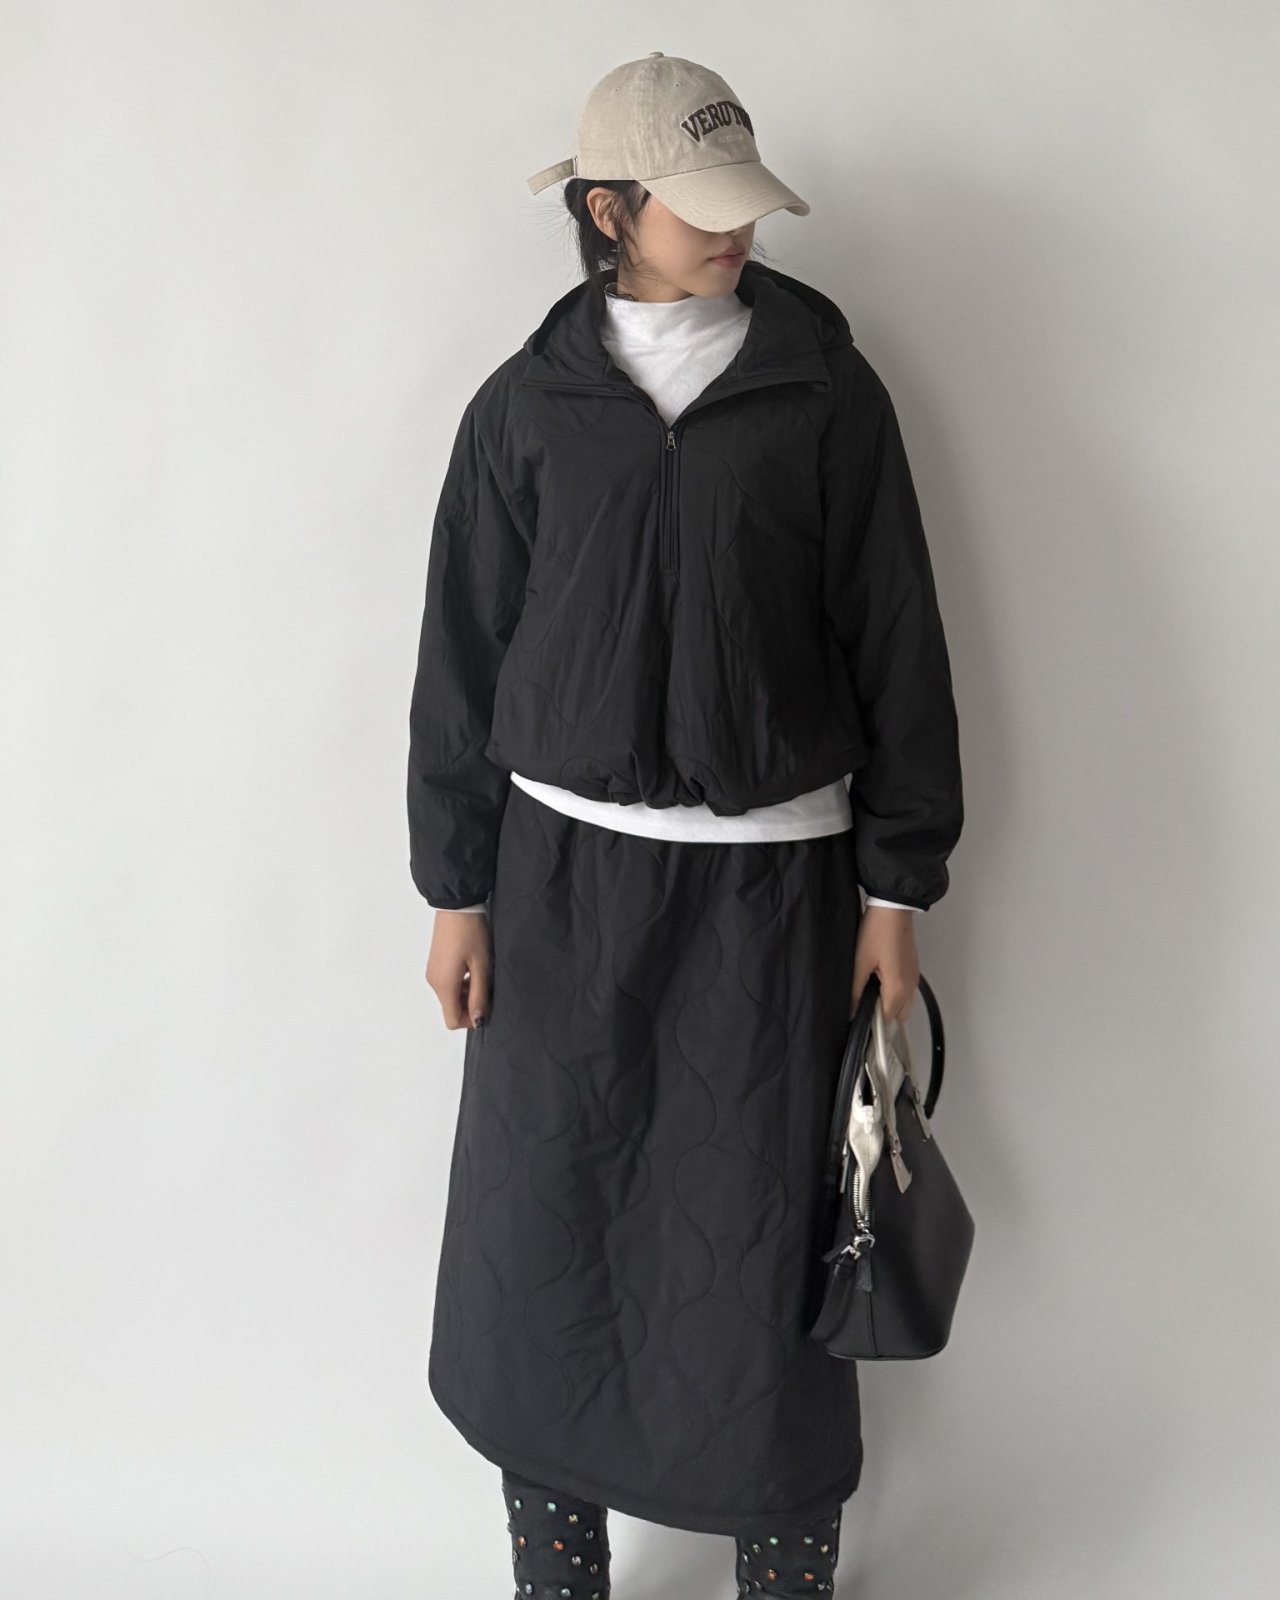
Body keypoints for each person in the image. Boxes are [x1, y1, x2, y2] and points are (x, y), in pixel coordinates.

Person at [406, 52, 963, 1600]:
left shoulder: (827, 397)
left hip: (772, 898)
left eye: (743, 204)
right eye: (700, 207)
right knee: (549, 1236)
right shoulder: (525, 411)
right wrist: (458, 890)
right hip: (560, 890)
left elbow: (898, 644)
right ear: (610, 211)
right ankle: (559, 1574)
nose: (736, 232)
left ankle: (783, 1577)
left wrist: (897, 890)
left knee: (762, 1247)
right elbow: (461, 657)